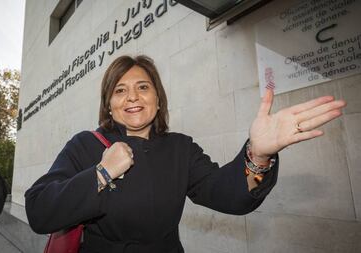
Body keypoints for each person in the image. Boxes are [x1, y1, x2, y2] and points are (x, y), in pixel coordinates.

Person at [25, 55, 346, 253]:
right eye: (120, 90)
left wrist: (258, 154)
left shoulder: (180, 148)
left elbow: (229, 195)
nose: (132, 97)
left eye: (143, 87)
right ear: (108, 104)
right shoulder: (85, 145)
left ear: (158, 99)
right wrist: (101, 173)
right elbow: (39, 210)